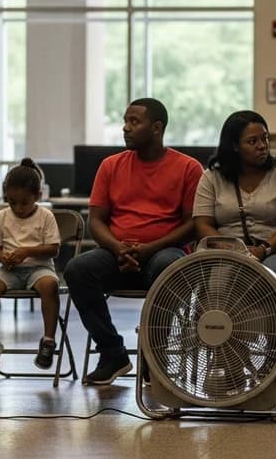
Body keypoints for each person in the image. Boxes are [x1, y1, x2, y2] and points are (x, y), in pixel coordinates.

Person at [63, 98, 204, 385]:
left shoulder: (188, 168)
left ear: (156, 128)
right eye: (125, 121)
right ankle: (112, 353)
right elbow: (97, 220)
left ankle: (154, 353)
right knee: (77, 269)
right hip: (117, 252)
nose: (125, 128)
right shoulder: (110, 166)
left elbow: (193, 225)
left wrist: (149, 248)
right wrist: (118, 248)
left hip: (164, 252)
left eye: (133, 122)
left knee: (170, 267)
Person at [194, 110, 276, 294]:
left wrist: (263, 250)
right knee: (219, 282)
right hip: (226, 255)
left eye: (265, 138)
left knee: (271, 272)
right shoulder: (212, 177)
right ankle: (225, 323)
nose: (262, 146)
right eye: (253, 141)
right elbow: (202, 224)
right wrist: (235, 251)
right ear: (234, 146)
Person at [0, 159, 61, 373]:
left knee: (50, 285)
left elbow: (53, 249)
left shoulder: (45, 215)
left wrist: (27, 251)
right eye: (12, 202)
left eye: (24, 203)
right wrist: (2, 257)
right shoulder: (2, 216)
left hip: (39, 268)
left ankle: (48, 341)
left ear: (38, 196)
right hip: (9, 269)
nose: (18, 208)